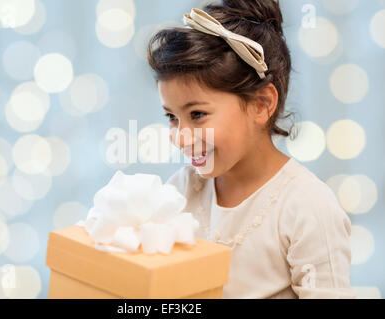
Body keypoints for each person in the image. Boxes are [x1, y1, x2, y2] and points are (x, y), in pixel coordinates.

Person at [147, 0, 355, 299]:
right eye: (171, 117)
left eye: (197, 115)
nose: (181, 138)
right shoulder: (182, 190)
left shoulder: (306, 208)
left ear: (261, 105)